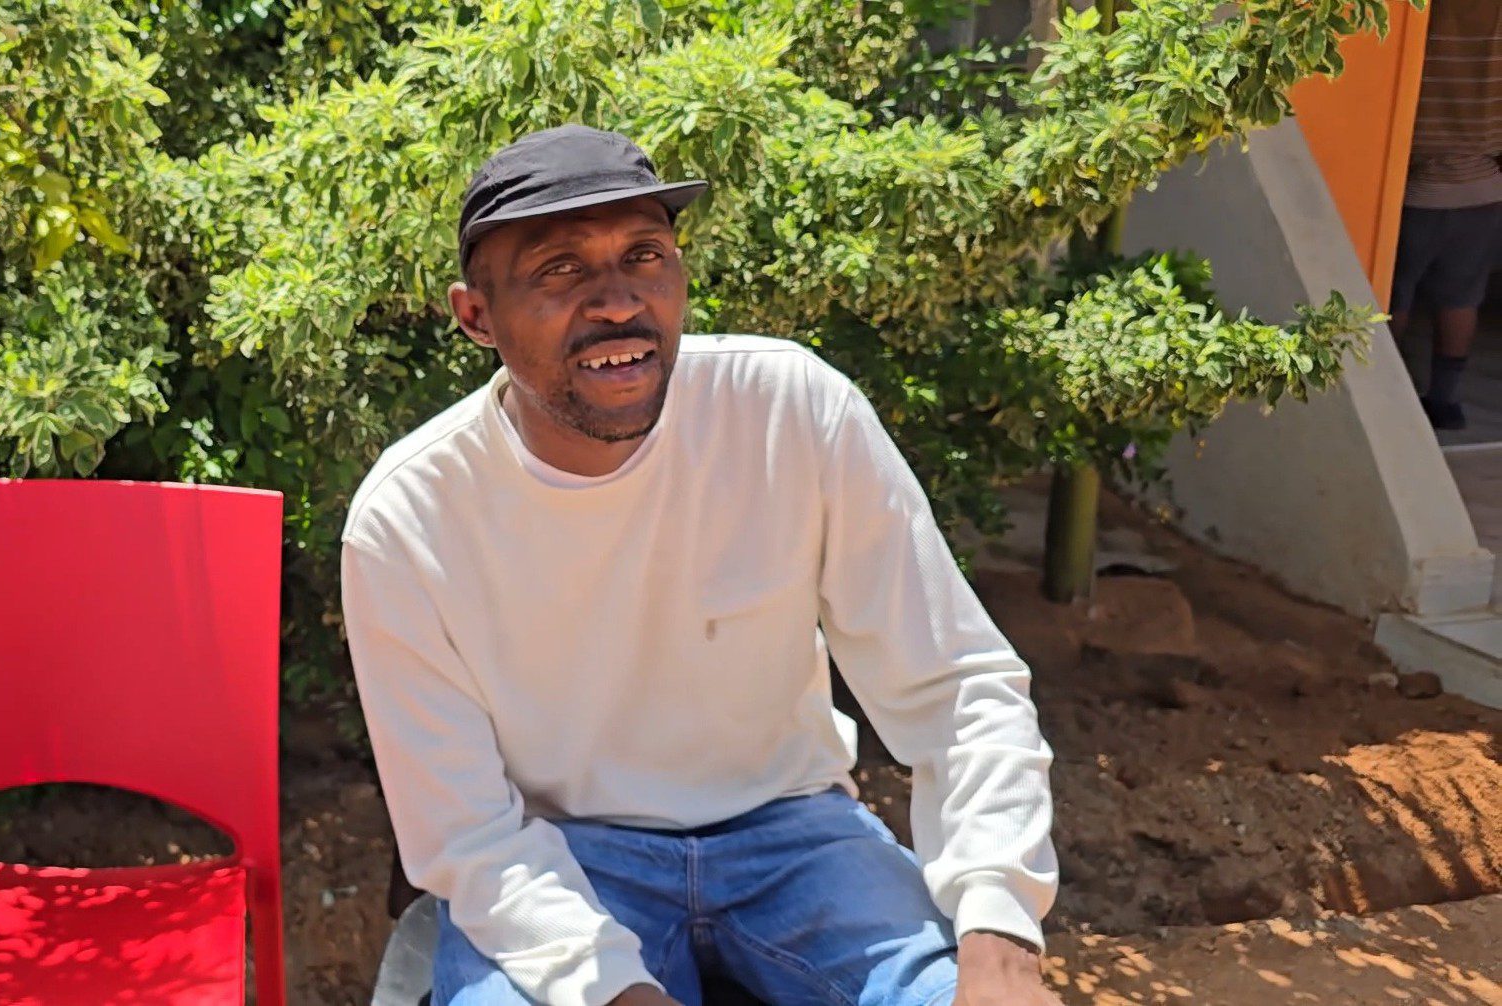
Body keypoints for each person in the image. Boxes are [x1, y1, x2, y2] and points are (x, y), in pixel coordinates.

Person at [341, 124, 1060, 1006]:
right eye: (561, 270)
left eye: (644, 254)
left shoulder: (790, 410)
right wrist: (614, 990)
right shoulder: (411, 516)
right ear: (476, 316)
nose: (616, 302)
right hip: (563, 857)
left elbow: (956, 688)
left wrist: (1001, 936)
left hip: (800, 837)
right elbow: (467, 837)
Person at [1388, 0, 1502, 431]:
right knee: (1462, 298)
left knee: (1394, 294)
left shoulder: (1418, 14)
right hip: (1485, 189)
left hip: (1417, 188)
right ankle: (1447, 401)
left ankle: (1389, 392)